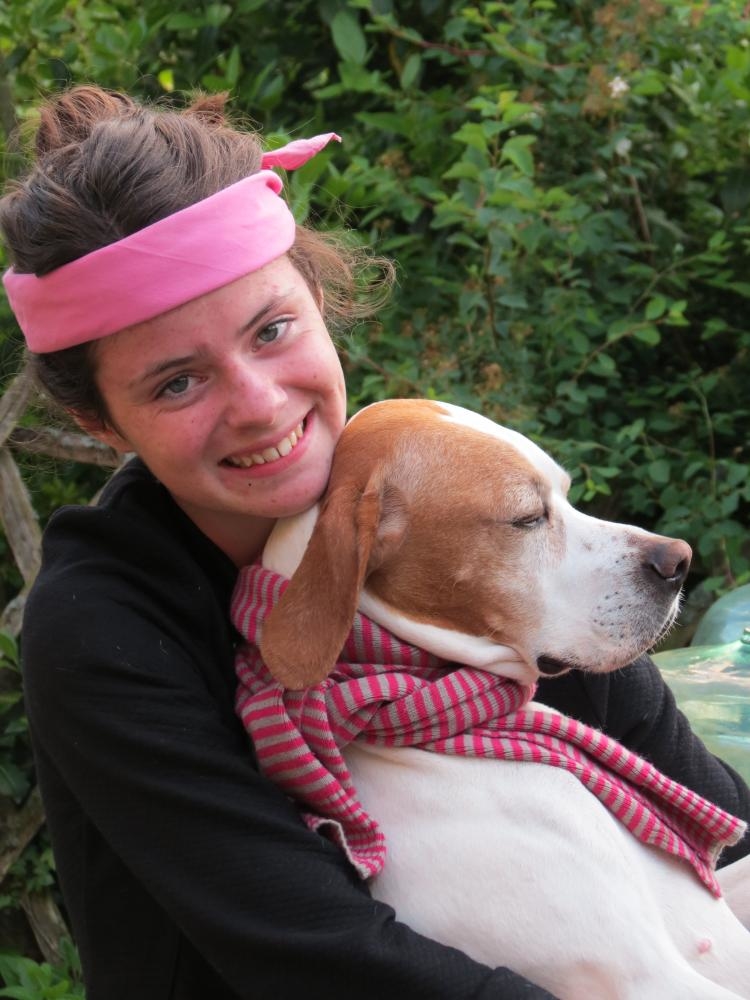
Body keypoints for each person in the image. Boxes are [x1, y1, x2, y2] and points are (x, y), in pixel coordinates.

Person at [0, 85, 747, 1000]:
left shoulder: (434, 495)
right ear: (101, 421)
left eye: (272, 330)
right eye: (176, 383)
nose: (259, 405)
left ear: (318, 301)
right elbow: (319, 958)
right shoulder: (100, 625)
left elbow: (720, 827)